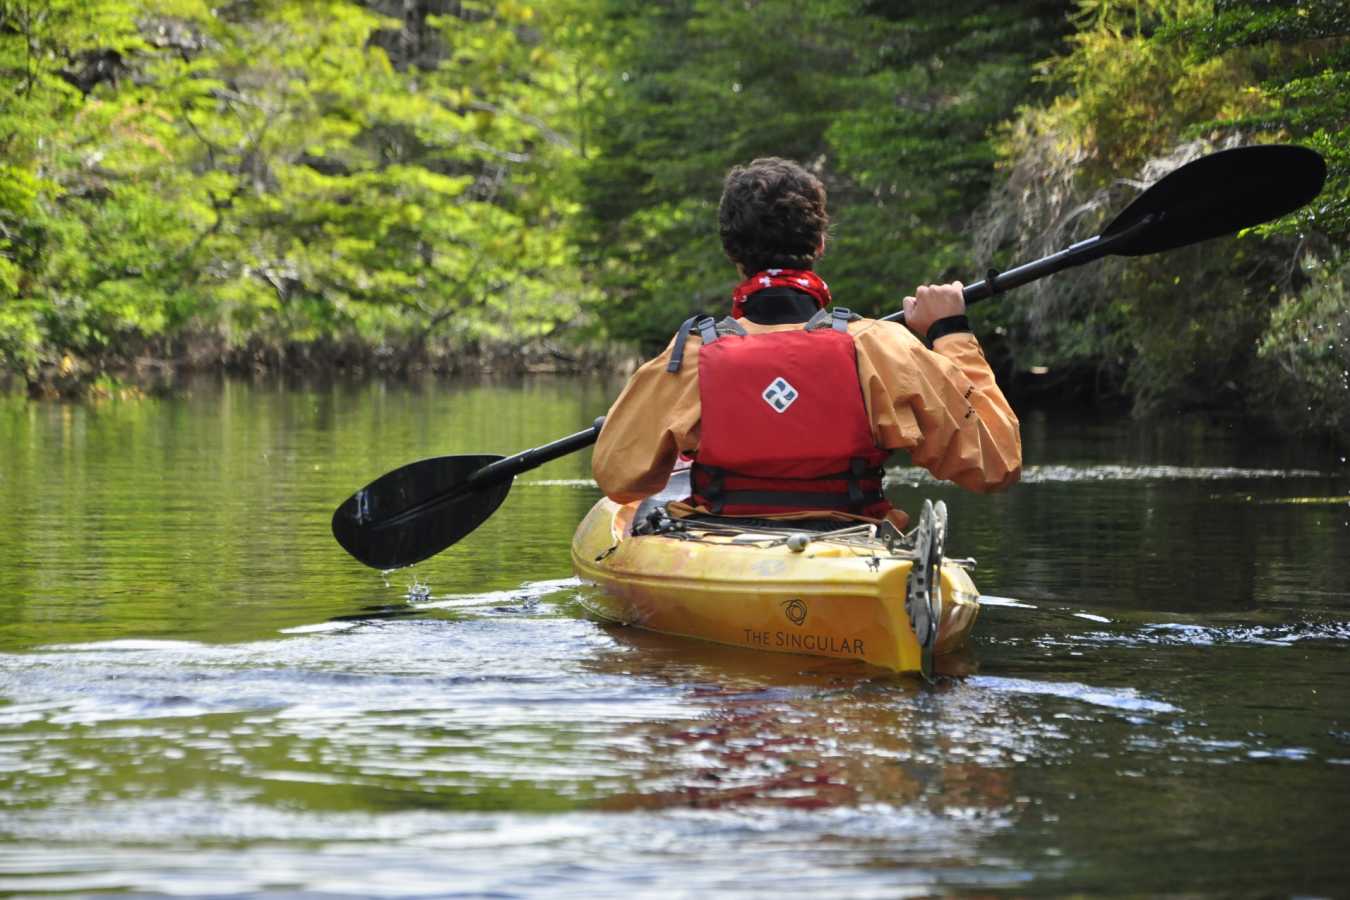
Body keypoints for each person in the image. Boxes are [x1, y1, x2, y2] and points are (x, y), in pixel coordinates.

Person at [592, 156, 1020, 528]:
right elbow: (997, 464)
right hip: (853, 547)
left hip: (721, 543)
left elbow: (619, 479)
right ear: (819, 244)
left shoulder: (689, 357)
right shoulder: (881, 347)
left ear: (732, 253)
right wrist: (950, 331)